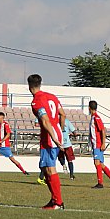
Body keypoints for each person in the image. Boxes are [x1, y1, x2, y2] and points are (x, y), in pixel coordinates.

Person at [29, 74, 66, 210]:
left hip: (49, 137)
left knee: (50, 169)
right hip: (56, 133)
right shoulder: (52, 97)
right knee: (44, 168)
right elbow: (63, 114)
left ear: (29, 86)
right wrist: (60, 132)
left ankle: (57, 202)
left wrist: (54, 138)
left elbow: (45, 120)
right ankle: (54, 200)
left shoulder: (36, 101)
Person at [89, 100, 110, 189]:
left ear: (89, 108)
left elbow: (102, 130)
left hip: (97, 144)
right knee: (101, 164)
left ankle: (100, 183)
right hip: (96, 144)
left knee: (96, 162)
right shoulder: (93, 117)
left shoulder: (96, 118)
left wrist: (103, 143)